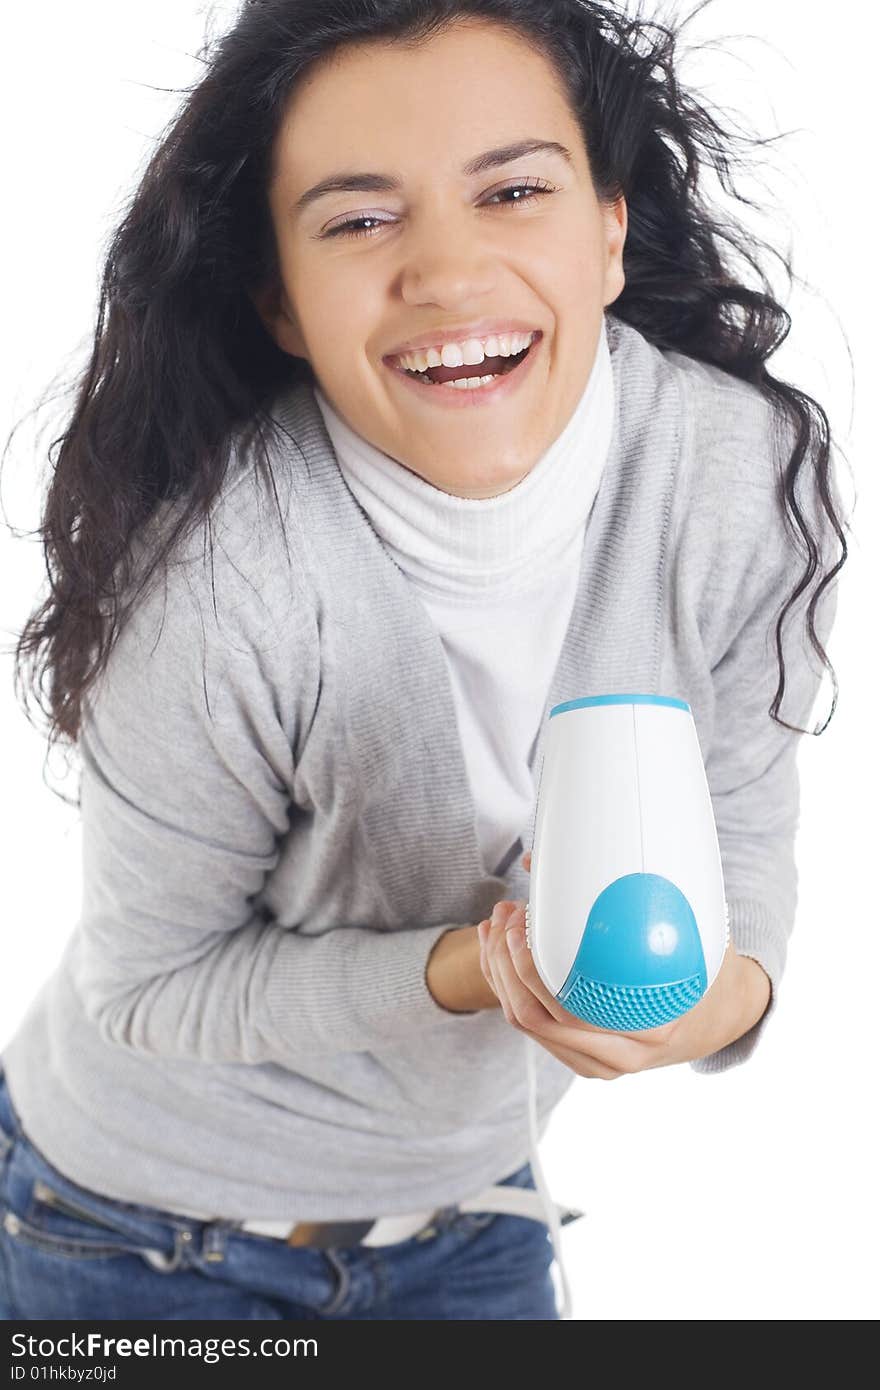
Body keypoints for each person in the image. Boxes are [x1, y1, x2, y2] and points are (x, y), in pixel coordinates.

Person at [0, 0, 848, 1321]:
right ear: (279, 297)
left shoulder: (737, 478)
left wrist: (719, 1001)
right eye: (358, 217)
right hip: (139, 1232)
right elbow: (150, 986)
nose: (447, 273)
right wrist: (468, 966)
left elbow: (740, 822)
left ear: (609, 228)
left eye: (512, 190)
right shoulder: (227, 584)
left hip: (469, 1215)